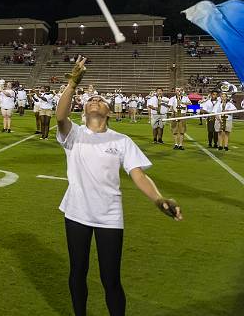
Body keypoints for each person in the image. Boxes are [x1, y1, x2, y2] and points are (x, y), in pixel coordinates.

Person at [56, 57, 182, 316]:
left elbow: (139, 175)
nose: (95, 100)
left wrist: (159, 200)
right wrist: (72, 83)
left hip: (110, 216)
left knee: (110, 279)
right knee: (78, 271)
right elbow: (60, 116)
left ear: (109, 112)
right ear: (83, 112)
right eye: (91, 99)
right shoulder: (74, 134)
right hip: (77, 212)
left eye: (101, 100)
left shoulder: (122, 140)